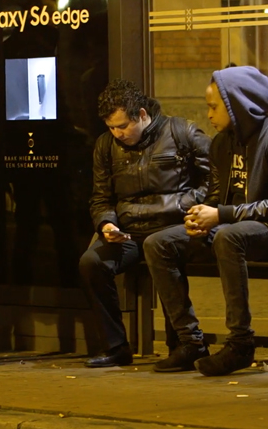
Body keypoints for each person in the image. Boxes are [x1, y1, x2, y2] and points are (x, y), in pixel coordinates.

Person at [143, 66, 268, 376]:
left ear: (238, 104)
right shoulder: (222, 142)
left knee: (227, 237)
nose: (209, 114)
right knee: (159, 243)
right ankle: (190, 341)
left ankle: (241, 343)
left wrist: (220, 215)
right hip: (231, 226)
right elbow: (215, 196)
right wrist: (201, 217)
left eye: (214, 106)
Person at [78, 80, 210, 368]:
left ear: (141, 114)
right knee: (91, 263)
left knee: (159, 247)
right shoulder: (105, 146)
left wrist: (184, 204)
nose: (118, 134)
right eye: (111, 128)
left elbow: (214, 179)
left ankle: (182, 344)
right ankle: (116, 346)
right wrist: (106, 224)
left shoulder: (181, 132)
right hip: (128, 230)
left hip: (173, 225)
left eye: (123, 126)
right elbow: (100, 197)